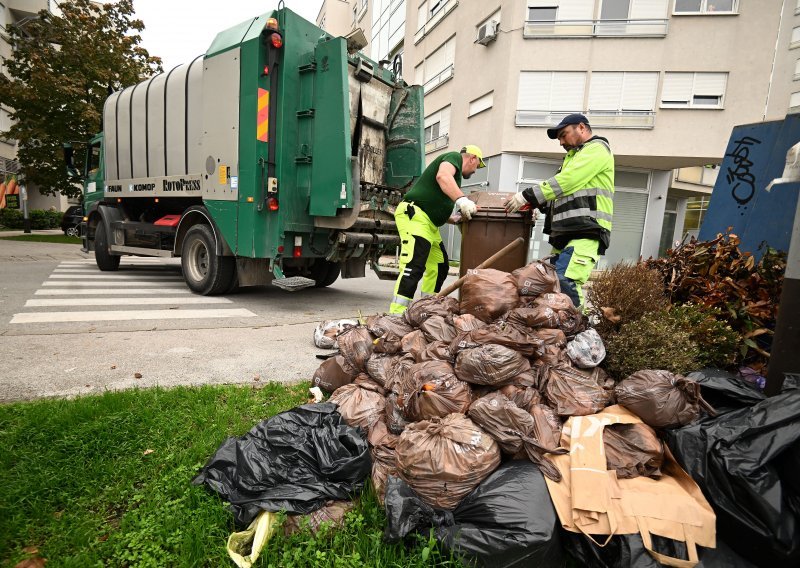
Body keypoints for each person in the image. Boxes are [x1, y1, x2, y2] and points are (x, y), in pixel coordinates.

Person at [505, 113, 614, 309]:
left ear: (581, 127)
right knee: (551, 285)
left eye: (564, 135)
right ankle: (562, 328)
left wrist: (528, 196)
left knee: (565, 280)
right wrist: (538, 206)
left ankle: (583, 329)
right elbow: (562, 196)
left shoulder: (597, 149)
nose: (561, 142)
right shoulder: (572, 158)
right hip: (565, 234)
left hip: (587, 230)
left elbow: (568, 181)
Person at [389, 145, 486, 314]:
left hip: (429, 224)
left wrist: (451, 219)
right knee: (414, 264)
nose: (475, 171)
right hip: (415, 215)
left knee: (440, 266)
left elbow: (434, 199)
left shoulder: (456, 178)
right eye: (477, 165)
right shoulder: (454, 157)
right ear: (472, 158)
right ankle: (396, 315)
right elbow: (442, 176)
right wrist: (462, 200)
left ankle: (426, 309)